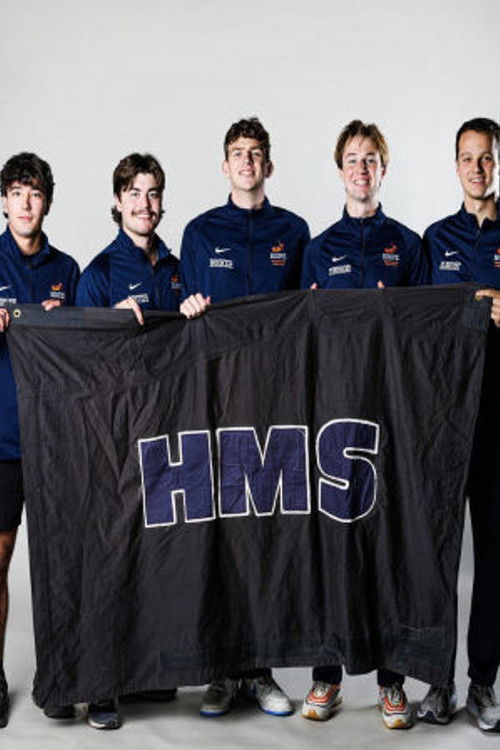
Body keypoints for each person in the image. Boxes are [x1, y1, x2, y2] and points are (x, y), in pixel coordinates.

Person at [180, 117, 310, 718]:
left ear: (269, 165)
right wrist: (187, 304)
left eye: (256, 153)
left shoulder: (294, 232)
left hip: (277, 400)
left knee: (266, 535)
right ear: (224, 165)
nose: (247, 161)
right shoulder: (200, 233)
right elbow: (180, 316)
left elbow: (310, 315)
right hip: (217, 401)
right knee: (219, 535)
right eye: (238, 153)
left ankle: (260, 671)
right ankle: (222, 672)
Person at [300, 120, 427, 730]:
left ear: (383, 168)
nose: (361, 168)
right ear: (339, 169)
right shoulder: (318, 248)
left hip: (390, 416)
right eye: (351, 158)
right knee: (332, 544)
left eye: (370, 158)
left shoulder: (409, 245)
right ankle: (326, 677)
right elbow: (295, 333)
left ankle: (391, 682)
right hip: (332, 416)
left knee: (386, 546)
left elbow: (429, 335)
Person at [76, 152, 182, 729]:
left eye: (153, 192)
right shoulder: (98, 273)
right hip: (113, 436)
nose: (145, 203)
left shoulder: (176, 267)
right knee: (110, 559)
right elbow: (77, 362)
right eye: (135, 193)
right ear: (118, 202)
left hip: (164, 429)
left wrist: (195, 308)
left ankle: (143, 671)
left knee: (155, 554)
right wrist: (108, 322)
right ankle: (102, 685)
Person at [418, 117, 500, 732]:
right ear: (455, 166)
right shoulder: (434, 239)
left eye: (486, 158)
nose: (477, 168)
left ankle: (482, 683)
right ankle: (438, 682)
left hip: (497, 418)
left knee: (494, 555)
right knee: (437, 552)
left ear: (496, 165)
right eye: (468, 158)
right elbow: (415, 327)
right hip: (444, 420)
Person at [0, 152, 79, 727]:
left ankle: (63, 676)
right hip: (2, 442)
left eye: (35, 193)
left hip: (54, 440)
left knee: (62, 565)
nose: (26, 204)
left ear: (47, 201)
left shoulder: (66, 269)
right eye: (17, 193)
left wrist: (63, 322)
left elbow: (86, 359)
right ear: (4, 201)